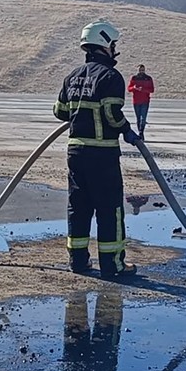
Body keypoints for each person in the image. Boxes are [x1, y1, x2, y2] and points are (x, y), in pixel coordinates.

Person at [53, 20, 141, 279]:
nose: (115, 49)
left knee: (78, 207)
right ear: (105, 45)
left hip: (76, 154)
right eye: (113, 45)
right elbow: (112, 114)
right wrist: (126, 129)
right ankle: (112, 265)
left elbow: (59, 112)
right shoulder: (110, 77)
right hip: (102, 155)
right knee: (109, 208)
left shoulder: (72, 76)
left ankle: (78, 261)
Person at [126, 64, 155, 138]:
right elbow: (129, 89)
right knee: (138, 118)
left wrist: (143, 90)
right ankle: (140, 131)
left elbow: (152, 90)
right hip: (136, 101)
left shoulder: (148, 78)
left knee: (143, 118)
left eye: (143, 70)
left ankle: (141, 132)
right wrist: (134, 88)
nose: (141, 71)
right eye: (140, 70)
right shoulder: (134, 78)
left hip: (145, 101)